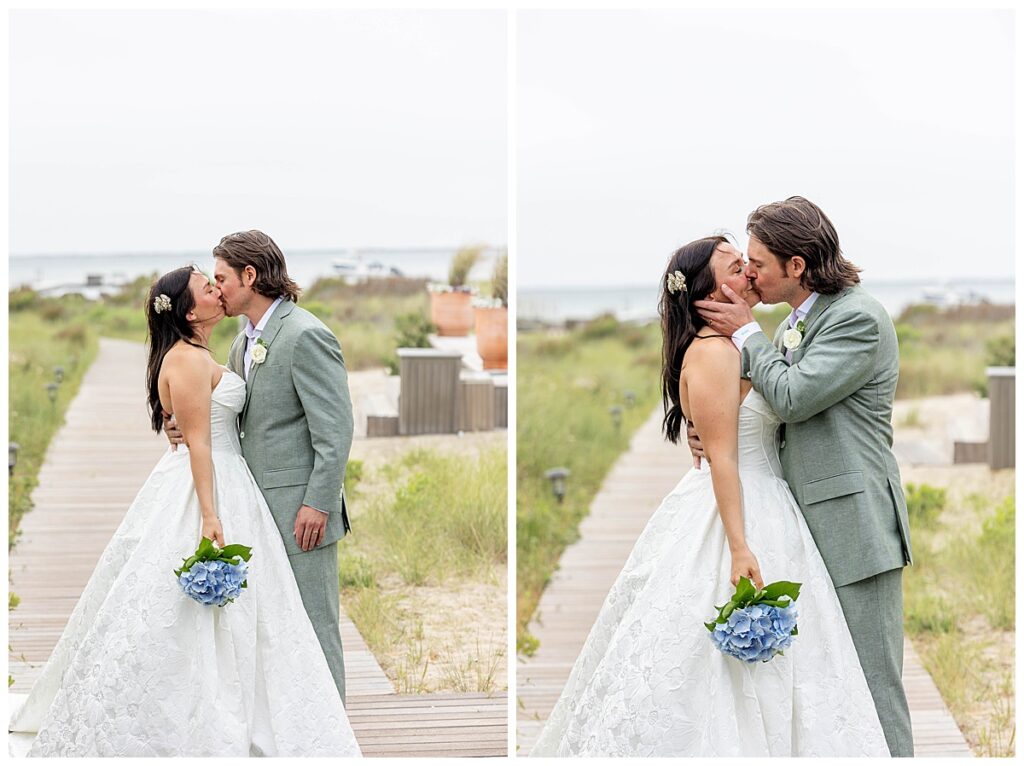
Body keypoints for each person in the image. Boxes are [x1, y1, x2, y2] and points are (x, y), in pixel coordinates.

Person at [529, 235, 890, 757]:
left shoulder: (738, 343)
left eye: (749, 262)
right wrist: (740, 547)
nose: (748, 271)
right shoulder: (717, 352)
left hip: (767, 499)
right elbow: (723, 457)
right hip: (738, 510)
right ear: (707, 290)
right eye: (736, 265)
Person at [8, 266, 361, 756]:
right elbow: (199, 443)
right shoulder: (194, 358)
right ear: (191, 310)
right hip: (210, 488)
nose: (217, 288)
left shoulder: (230, 346)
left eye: (218, 279)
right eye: (207, 284)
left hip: (234, 483)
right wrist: (211, 515)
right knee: (203, 612)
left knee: (252, 614)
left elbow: (233, 421)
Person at [694, 196, 913, 757]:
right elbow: (762, 401)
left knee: (871, 684)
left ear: (797, 267)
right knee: (826, 691)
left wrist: (747, 334)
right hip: (800, 527)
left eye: (759, 263)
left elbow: (792, 396)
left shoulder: (856, 319)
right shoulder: (801, 319)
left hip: (852, 527)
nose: (750, 273)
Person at [164, 230, 355, 704]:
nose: (218, 288)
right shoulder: (240, 343)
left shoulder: (305, 334)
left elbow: (335, 432)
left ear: (250, 276)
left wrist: (318, 502)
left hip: (300, 513)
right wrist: (183, 429)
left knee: (314, 624)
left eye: (223, 278)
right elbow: (229, 418)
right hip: (252, 509)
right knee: (272, 631)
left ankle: (332, 736)